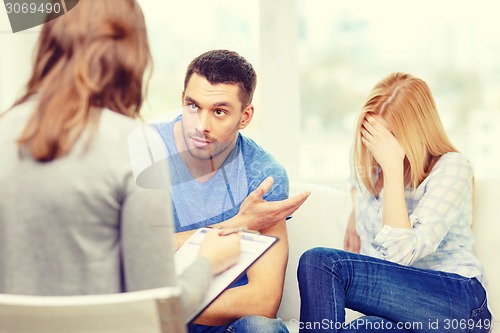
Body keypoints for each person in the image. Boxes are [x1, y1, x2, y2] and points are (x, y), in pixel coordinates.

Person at [0, 0, 241, 322]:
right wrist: (208, 261)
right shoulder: (137, 144)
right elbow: (159, 312)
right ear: (131, 55)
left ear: (49, 45)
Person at [297, 72, 492, 333]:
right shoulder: (370, 168)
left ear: (416, 132)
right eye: (373, 136)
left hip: (457, 302)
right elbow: (358, 187)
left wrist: (393, 171)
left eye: (389, 138)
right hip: (397, 309)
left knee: (320, 262)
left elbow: (400, 257)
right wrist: (357, 211)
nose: (380, 148)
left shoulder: (452, 167)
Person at [154, 49, 310, 333]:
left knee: (262, 329)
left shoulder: (263, 175)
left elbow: (262, 301)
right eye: (193, 106)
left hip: (218, 325)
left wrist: (166, 305)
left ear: (245, 116)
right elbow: (122, 256)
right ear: (182, 100)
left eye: (219, 112)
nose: (201, 126)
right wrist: (238, 225)